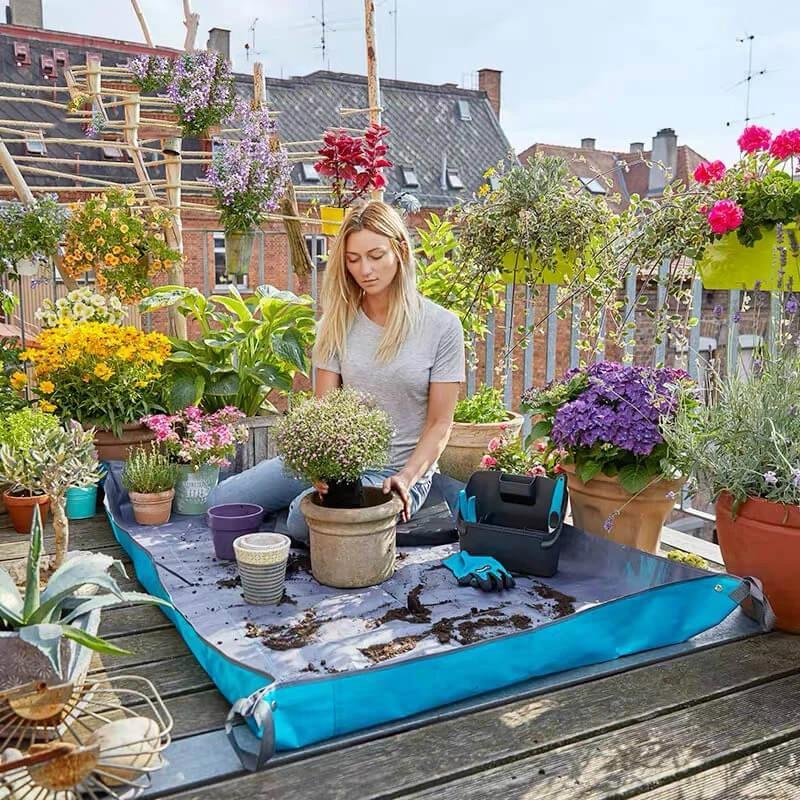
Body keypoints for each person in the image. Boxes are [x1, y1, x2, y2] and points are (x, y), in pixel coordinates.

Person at [209, 200, 465, 542]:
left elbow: (440, 424)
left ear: (401, 251)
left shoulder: (442, 327)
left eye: (376, 256)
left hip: (395, 473)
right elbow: (325, 410)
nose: (365, 270)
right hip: (337, 461)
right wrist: (318, 467)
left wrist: (407, 477)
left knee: (302, 521)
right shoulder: (336, 322)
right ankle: (304, 509)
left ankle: (303, 516)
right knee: (221, 502)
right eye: (353, 259)